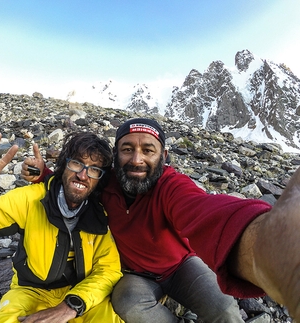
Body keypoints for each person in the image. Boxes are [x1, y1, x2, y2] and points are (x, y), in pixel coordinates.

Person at [22, 117, 300, 322]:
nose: (137, 159)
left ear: (163, 156)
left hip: (181, 266)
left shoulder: (171, 186)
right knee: (129, 305)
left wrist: (270, 242)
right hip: (134, 275)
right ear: (116, 156)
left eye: (148, 150)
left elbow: (206, 210)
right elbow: (79, 181)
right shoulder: (106, 184)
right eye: (127, 149)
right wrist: (44, 174)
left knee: (225, 308)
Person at [0, 131, 124, 323]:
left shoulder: (98, 215)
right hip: (29, 292)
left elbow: (108, 270)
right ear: (64, 164)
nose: (83, 175)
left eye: (94, 169)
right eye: (77, 163)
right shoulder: (30, 200)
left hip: (80, 295)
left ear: (100, 179)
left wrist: (73, 304)